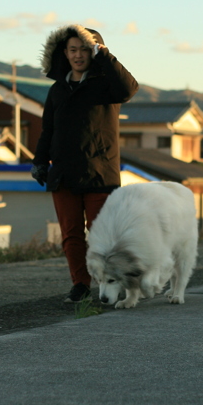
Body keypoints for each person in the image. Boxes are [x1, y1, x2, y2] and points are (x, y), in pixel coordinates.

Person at [31, 24, 139, 303]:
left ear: (94, 51)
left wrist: (103, 54)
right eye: (72, 50)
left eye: (84, 49)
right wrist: (40, 162)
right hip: (63, 174)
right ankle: (80, 285)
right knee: (71, 235)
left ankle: (113, 285)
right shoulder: (57, 90)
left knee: (103, 234)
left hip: (99, 173)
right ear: (64, 53)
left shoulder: (107, 86)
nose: (78, 55)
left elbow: (129, 89)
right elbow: (47, 130)